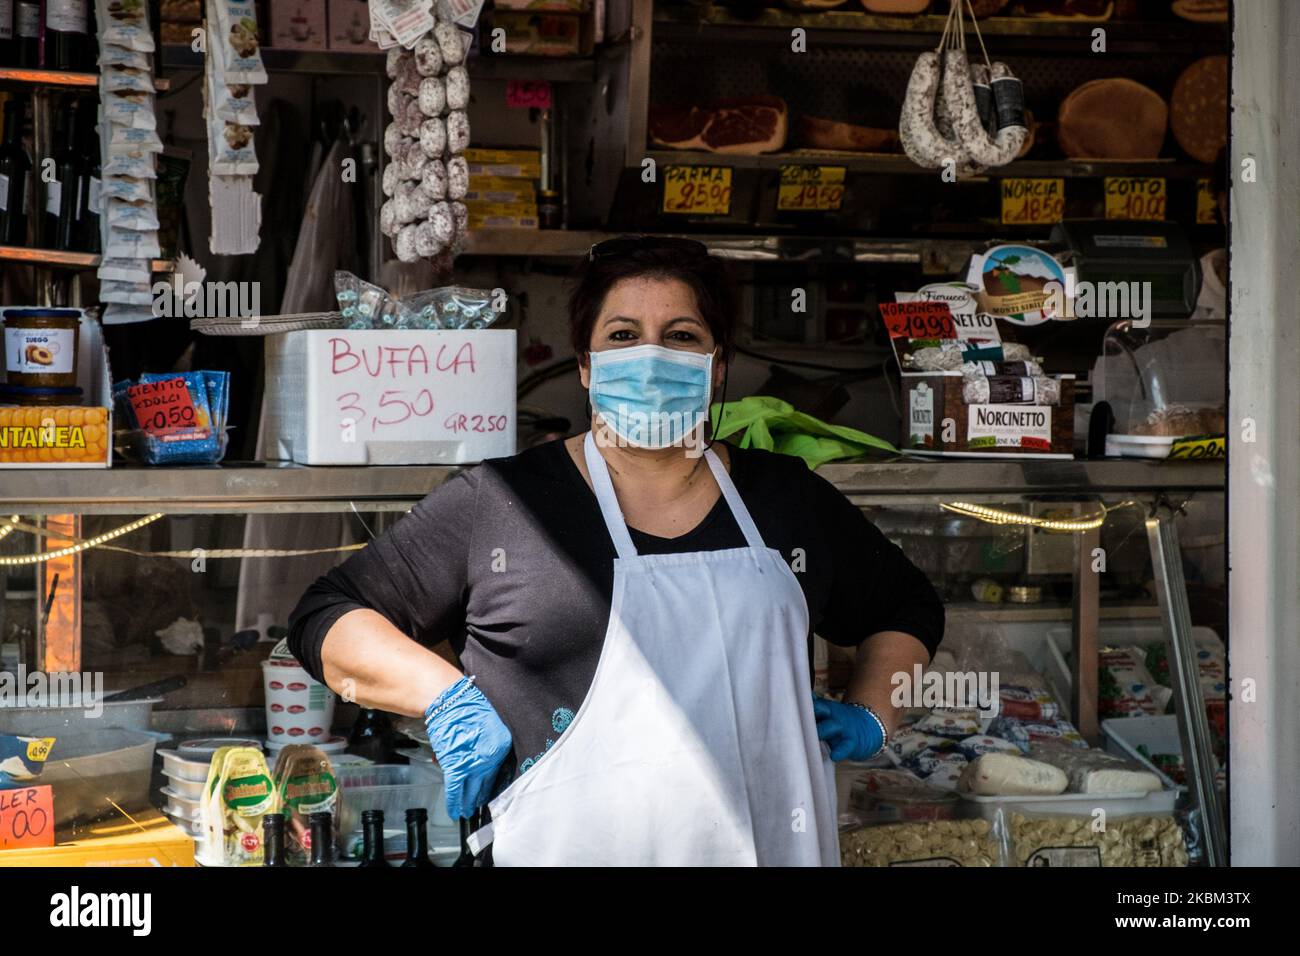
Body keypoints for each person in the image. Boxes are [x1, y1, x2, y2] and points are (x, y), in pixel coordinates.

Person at [288, 236, 944, 866]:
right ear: (585, 364)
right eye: (623, 336)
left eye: (682, 336)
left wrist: (871, 715)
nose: (651, 357)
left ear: (718, 368)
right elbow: (327, 615)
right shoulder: (505, 503)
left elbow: (906, 605)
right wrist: (445, 697)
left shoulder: (787, 497)